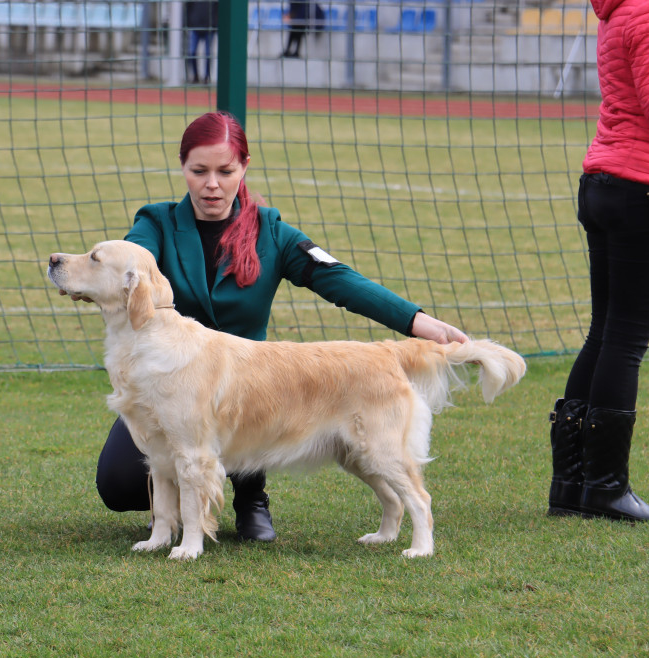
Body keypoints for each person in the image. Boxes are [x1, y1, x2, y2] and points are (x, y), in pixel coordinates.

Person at [64, 111, 469, 542]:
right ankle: (178, 506)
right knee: (119, 480)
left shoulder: (271, 231)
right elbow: (133, 260)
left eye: (225, 171)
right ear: (183, 168)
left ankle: (251, 499)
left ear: (244, 167)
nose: (212, 184)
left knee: (249, 417)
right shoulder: (157, 223)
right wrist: (98, 283)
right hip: (172, 383)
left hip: (251, 384)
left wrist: (417, 320)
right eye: (199, 171)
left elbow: (340, 280)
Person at [547, 0, 649, 522]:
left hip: (608, 179)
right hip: (645, 189)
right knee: (626, 340)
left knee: (604, 333)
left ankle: (571, 485)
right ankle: (606, 488)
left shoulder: (620, 8)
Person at [185, 1, 218, 84]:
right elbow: (188, 7)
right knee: (191, 52)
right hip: (195, 27)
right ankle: (195, 76)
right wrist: (188, 24)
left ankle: (207, 77)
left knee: (208, 53)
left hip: (210, 28)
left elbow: (218, 9)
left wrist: (215, 25)